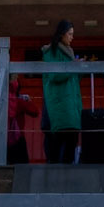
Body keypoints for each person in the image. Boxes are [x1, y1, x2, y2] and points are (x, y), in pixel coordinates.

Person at [40, 20, 82, 165]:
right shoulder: (51, 51)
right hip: (60, 105)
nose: (72, 37)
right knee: (57, 147)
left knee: (71, 144)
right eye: (70, 34)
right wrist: (73, 66)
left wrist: (79, 68)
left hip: (71, 105)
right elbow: (54, 75)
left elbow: (72, 79)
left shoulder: (69, 52)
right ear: (62, 34)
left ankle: (68, 181)